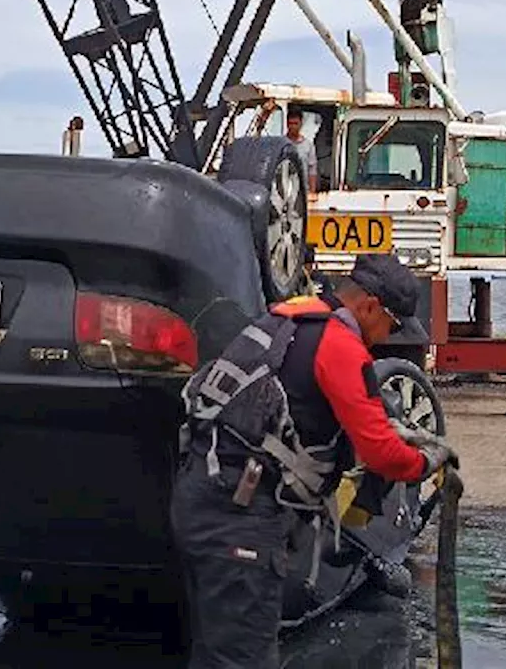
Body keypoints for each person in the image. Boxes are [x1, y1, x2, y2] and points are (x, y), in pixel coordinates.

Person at [170, 253, 456, 668]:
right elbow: (383, 454)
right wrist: (428, 460)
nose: (387, 338)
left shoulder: (286, 321)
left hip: (203, 500)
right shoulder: (339, 346)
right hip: (242, 520)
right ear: (370, 306)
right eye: (391, 325)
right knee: (243, 658)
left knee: (217, 651)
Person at [285, 106, 319, 197]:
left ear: (301, 124)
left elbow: (312, 171)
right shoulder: (281, 144)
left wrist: (312, 193)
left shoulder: (308, 145)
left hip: (302, 193)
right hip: (284, 193)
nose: (293, 127)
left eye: (295, 123)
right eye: (290, 123)